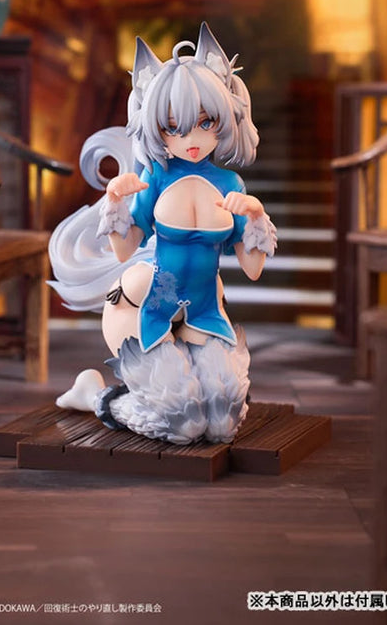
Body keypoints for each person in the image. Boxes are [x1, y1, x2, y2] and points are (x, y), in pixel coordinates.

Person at [49, 22, 277, 444]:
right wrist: (115, 199)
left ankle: (184, 372)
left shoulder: (230, 184)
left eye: (205, 122)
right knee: (182, 423)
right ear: (155, 127)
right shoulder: (154, 178)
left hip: (205, 311)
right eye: (173, 127)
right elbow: (124, 251)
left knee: (224, 422)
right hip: (146, 307)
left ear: (224, 118)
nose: (191, 139)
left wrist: (256, 216)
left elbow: (253, 268)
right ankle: (95, 395)